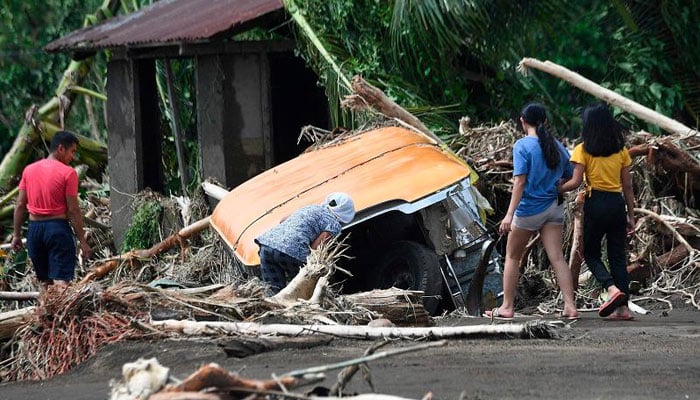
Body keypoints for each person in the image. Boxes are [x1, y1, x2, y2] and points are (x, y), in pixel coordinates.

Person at [485, 102, 578, 320]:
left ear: (522, 121)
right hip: (554, 208)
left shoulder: (522, 146)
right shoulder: (557, 146)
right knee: (557, 258)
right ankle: (570, 306)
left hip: (529, 210)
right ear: (544, 121)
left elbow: (519, 182)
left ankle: (507, 307)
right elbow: (568, 174)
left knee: (512, 256)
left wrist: (509, 215)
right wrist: (553, 186)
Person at [559, 102, 635, 320]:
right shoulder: (621, 151)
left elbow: (574, 182)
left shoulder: (583, 150)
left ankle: (611, 289)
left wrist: (557, 188)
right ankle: (624, 308)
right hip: (616, 204)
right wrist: (631, 214)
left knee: (591, 253)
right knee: (617, 257)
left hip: (596, 202)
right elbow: (628, 186)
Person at [11, 130, 92, 292]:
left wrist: (17, 235)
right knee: (62, 283)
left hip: (34, 232)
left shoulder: (29, 170)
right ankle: (64, 317)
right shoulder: (68, 173)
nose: (73, 157)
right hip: (57, 230)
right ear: (61, 149)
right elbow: (74, 210)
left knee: (45, 284)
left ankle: (45, 316)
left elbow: (20, 205)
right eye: (72, 151)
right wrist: (82, 241)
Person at [255, 192, 356, 295]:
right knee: (308, 292)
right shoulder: (334, 224)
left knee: (273, 293)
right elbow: (316, 248)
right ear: (346, 213)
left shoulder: (312, 207)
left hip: (267, 245)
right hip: (292, 252)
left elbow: (283, 220)